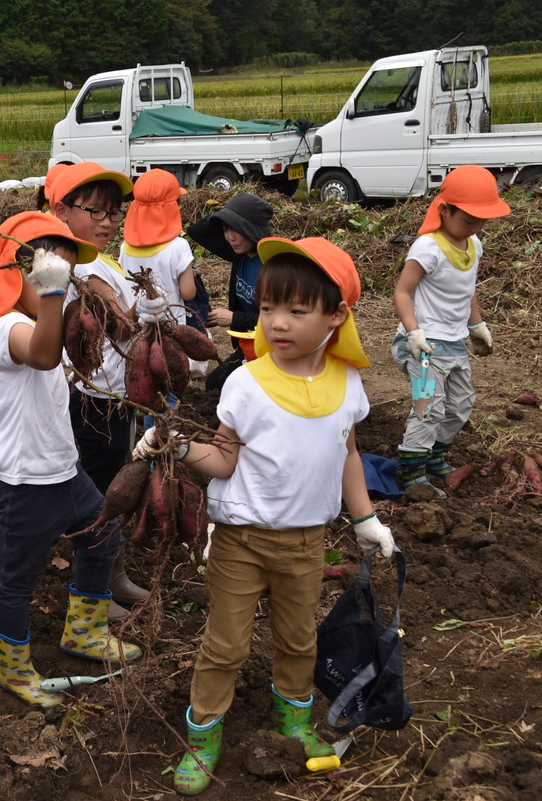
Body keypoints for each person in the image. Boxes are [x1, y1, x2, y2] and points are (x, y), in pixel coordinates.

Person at [134, 237, 395, 795]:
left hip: (306, 541)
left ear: (335, 316)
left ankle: (294, 721)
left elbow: (349, 455)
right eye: (269, 307)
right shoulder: (247, 383)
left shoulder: (348, 382)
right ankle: (203, 734)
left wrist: (365, 520)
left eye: (297, 310)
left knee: (298, 640)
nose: (276, 322)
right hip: (241, 540)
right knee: (225, 644)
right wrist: (177, 446)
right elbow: (224, 460)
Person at [0, 210, 141, 707]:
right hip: (25, 483)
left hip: (64, 472)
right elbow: (43, 355)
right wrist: (52, 295)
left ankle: (84, 632)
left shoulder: (41, 320)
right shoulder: (4, 327)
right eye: (50, 276)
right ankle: (12, 668)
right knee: (15, 581)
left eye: (65, 279)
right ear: (17, 273)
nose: (61, 289)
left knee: (103, 535)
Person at [44, 162, 159, 619]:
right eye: (95, 211)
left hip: (112, 395)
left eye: (114, 213)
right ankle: (95, 588)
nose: (108, 222)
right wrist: (146, 312)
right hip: (96, 400)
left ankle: (112, 576)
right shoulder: (75, 266)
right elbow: (119, 325)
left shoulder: (95, 259)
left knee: (112, 487)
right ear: (61, 210)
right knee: (104, 496)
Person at [391, 165, 510, 490]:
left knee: (460, 406)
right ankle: (414, 475)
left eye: (482, 221)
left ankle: (434, 456)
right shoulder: (428, 248)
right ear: (444, 210)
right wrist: (414, 332)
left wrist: (477, 325)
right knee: (428, 407)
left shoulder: (473, 245)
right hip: (424, 345)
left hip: (454, 344)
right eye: (469, 220)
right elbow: (402, 293)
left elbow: (468, 290)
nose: (476, 227)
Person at [118, 169, 210, 377]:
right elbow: (188, 293)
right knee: (170, 374)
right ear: (172, 207)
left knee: (142, 374)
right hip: (170, 330)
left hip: (137, 328)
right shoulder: (178, 246)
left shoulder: (125, 247)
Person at [186, 192, 274, 392]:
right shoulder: (240, 253)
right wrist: (229, 214)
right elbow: (197, 230)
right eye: (226, 229)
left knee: (226, 388)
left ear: (253, 229)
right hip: (248, 346)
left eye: (237, 229)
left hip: (273, 349)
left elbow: (282, 321)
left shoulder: (273, 266)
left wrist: (234, 318)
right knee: (214, 384)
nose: (230, 237)